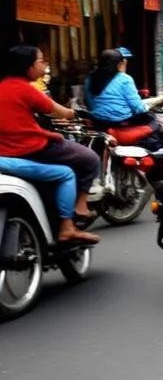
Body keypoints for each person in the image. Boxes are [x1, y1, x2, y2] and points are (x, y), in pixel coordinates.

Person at [0, 45, 101, 243]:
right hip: (29, 149)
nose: (45, 65)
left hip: (7, 151)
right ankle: (74, 216)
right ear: (28, 67)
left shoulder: (3, 87)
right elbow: (56, 111)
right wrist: (75, 114)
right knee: (88, 159)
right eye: (41, 61)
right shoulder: (25, 89)